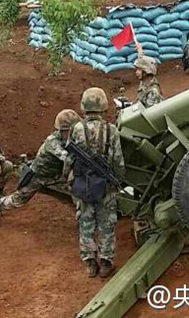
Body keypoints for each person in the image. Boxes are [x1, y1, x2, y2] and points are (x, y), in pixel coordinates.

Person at [0, 109, 81, 227]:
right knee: (17, 200)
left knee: (76, 192)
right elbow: (68, 159)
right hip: (38, 177)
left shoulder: (70, 140)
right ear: (63, 130)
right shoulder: (53, 142)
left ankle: (83, 220)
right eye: (72, 130)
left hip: (55, 177)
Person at [66, 87, 125, 278]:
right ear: (104, 106)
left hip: (83, 182)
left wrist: (69, 176)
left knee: (85, 221)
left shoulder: (76, 129)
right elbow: (118, 160)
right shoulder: (111, 130)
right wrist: (118, 180)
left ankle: (90, 262)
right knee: (107, 222)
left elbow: (69, 158)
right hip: (105, 184)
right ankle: (106, 261)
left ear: (84, 106)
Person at [134, 43, 163, 108]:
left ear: (146, 71)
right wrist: (140, 51)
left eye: (139, 70)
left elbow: (150, 113)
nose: (136, 72)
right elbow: (143, 62)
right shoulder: (145, 82)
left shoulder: (153, 92)